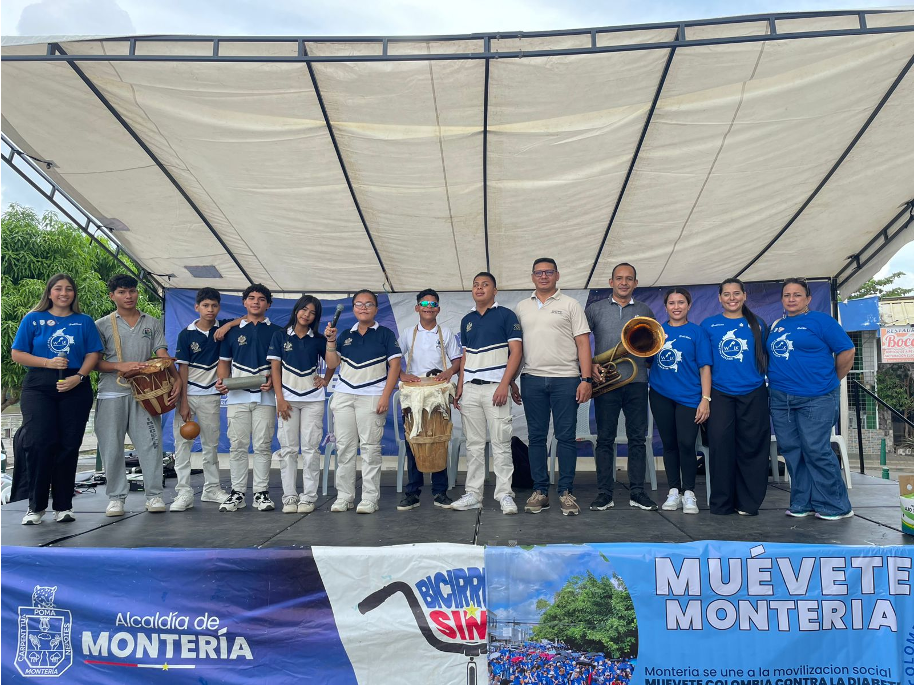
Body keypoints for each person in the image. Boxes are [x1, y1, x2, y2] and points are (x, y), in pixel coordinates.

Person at [12, 274, 103, 525]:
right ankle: (35, 507)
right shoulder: (33, 318)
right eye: (58, 289)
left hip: (75, 384)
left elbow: (93, 353)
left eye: (69, 289)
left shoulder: (84, 321)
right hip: (39, 385)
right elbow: (17, 353)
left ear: (74, 294)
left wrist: (79, 377)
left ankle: (63, 506)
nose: (64, 293)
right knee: (39, 443)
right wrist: (47, 363)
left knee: (69, 445)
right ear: (49, 293)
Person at [768, 277, 855, 520]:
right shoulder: (777, 325)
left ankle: (836, 506)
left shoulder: (821, 321)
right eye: (787, 295)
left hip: (816, 397)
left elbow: (847, 351)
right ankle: (802, 503)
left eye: (797, 294)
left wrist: (831, 380)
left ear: (808, 298)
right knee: (792, 450)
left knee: (816, 449)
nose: (791, 299)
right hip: (781, 398)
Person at [95, 274, 179, 516]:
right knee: (111, 447)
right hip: (111, 392)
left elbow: (162, 354)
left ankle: (154, 495)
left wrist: (176, 378)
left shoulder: (151, 322)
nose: (128, 296)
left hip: (146, 394)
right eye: (122, 292)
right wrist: (119, 366)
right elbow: (94, 362)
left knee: (151, 444)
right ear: (112, 296)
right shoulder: (102, 325)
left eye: (132, 291)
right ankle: (116, 498)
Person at [514, 258, 592, 516]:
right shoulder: (522, 307)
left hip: (566, 379)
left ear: (557, 275)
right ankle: (540, 491)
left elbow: (583, 343)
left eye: (549, 272)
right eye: (539, 272)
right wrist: (512, 379)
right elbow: (517, 348)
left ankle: (566, 492)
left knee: (566, 437)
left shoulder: (571, 304)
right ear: (532, 277)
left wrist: (586, 379)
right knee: (536, 438)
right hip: (532, 379)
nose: (544, 276)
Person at [585, 263, 659, 511]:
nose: (624, 283)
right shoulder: (595, 309)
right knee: (605, 439)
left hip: (637, 383)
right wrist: (589, 365)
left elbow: (653, 343)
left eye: (629, 279)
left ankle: (637, 492)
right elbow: (580, 341)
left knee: (637, 439)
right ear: (611, 282)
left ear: (635, 283)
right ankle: (604, 493)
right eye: (619, 278)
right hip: (606, 383)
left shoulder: (645, 310)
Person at [452, 272, 523, 515]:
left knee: (501, 444)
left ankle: (505, 495)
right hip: (471, 388)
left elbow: (516, 352)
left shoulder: (506, 315)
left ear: (495, 291)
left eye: (485, 285)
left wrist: (505, 384)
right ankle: (473, 494)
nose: (479, 288)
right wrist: (460, 385)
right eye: (476, 285)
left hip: (496, 388)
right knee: (473, 445)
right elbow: (465, 356)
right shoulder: (467, 320)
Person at [702, 278, 770, 516]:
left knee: (752, 447)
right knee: (720, 448)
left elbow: (768, 358)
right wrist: (705, 397)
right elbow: (704, 364)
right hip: (720, 394)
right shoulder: (708, 325)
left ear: (745, 296)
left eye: (736, 293)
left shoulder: (758, 324)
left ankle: (748, 503)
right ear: (719, 298)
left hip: (753, 392)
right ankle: (722, 503)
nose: (732, 298)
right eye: (727, 294)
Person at [330, 289, 401, 514]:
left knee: (370, 449)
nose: (364, 308)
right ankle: (344, 496)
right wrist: (330, 342)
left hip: (372, 396)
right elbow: (331, 363)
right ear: (353, 308)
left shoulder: (385, 334)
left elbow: (395, 366)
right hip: (344, 395)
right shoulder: (344, 335)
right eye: (359, 304)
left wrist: (385, 396)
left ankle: (370, 498)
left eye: (369, 304)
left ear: (376, 309)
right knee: (345, 448)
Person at [268, 295, 340, 514]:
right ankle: (289, 496)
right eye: (304, 309)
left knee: (310, 449)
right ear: (296, 310)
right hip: (287, 400)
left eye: (312, 313)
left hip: (313, 400)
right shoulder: (279, 336)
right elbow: (275, 369)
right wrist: (280, 398)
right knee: (288, 449)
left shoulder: (318, 339)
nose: (306, 315)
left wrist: (326, 379)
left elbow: (333, 363)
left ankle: (308, 497)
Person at [215, 283, 282, 512]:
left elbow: (279, 367)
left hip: (266, 398)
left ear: (268, 304)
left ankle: (261, 493)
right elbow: (224, 363)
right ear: (244, 302)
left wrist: (273, 381)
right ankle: (237, 493)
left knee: (263, 446)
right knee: (238, 446)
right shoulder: (231, 331)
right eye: (251, 298)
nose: (256, 302)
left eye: (261, 299)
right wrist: (222, 382)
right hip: (237, 397)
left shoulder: (277, 332)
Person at [397, 289, 461, 511]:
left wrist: (449, 372)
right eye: (424, 304)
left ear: (438, 309)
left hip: (437, 395)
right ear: (417, 308)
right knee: (413, 442)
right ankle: (412, 493)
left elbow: (457, 360)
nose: (428, 307)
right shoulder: (408, 334)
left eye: (433, 304)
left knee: (439, 441)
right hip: (413, 395)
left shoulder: (446, 333)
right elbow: (393, 359)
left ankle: (440, 492)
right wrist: (402, 375)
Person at [649, 288, 712, 515]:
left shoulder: (697, 332)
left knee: (686, 444)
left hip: (689, 396)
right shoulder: (656, 331)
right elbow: (646, 360)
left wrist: (705, 399)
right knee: (669, 445)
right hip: (660, 395)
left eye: (681, 302)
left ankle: (689, 493)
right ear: (665, 306)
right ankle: (674, 491)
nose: (676, 307)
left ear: (689, 305)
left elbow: (705, 368)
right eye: (672, 303)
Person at [170, 287, 232, 512]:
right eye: (205, 305)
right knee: (182, 445)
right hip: (188, 396)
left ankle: (211, 488)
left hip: (210, 397)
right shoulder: (186, 334)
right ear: (197, 307)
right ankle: (183, 492)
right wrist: (184, 401)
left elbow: (246, 318)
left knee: (210, 445)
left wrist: (227, 326)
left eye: (214, 305)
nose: (210, 309)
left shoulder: (223, 329)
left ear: (219, 307)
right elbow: (182, 369)